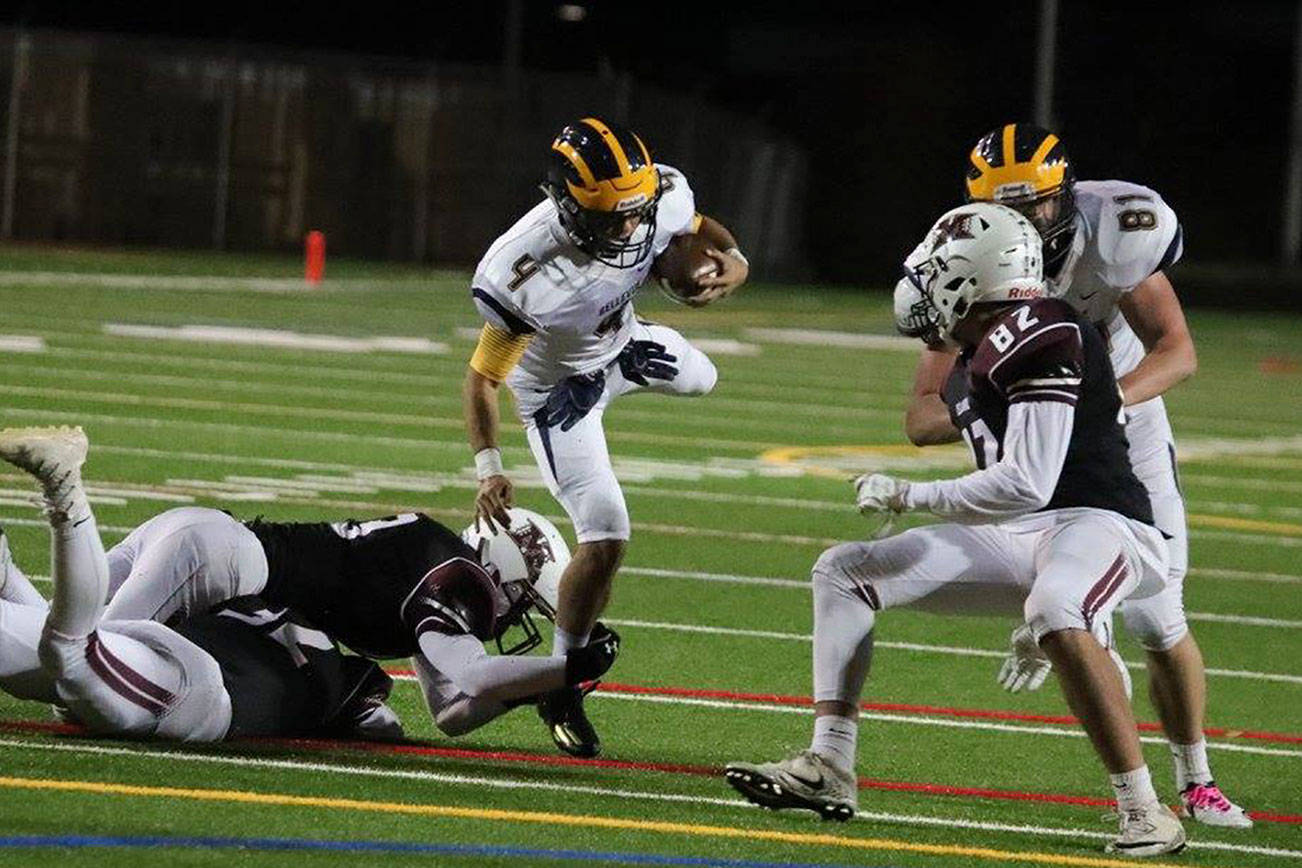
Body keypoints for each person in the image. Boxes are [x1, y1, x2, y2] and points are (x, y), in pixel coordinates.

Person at [726, 204, 1186, 858]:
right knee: (845, 570)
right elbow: (1005, 488)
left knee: (1057, 606)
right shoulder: (979, 349)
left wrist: (914, 493)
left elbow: (1029, 480)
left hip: (1104, 523)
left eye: (937, 268)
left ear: (978, 272)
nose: (923, 279)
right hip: (1024, 531)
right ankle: (829, 765)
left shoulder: (1042, 326)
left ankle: (1146, 812)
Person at [898, 123, 1247, 828]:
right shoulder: (963, 253)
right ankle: (1136, 797)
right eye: (1012, 208)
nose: (1029, 221)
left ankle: (1197, 778)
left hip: (1123, 418)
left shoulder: (1116, 231)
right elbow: (922, 414)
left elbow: (1176, 351)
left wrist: (1102, 401)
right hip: (1027, 436)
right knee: (1081, 620)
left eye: (1041, 205)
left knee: (1158, 612)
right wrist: (991, 404)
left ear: (1067, 195)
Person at [463, 116, 748, 756]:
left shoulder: (650, 199)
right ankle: (563, 677)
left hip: (623, 346)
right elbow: (483, 378)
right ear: (566, 204)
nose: (629, 229)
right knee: (607, 531)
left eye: (635, 213)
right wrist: (489, 466)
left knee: (705, 378)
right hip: (559, 394)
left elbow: (701, 229)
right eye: (611, 218)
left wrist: (735, 267)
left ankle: (628, 358)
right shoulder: (522, 268)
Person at [47, 449, 619, 739]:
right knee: (79, 674)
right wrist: (566, 670)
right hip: (212, 560)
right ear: (502, 567)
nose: (515, 616)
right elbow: (472, 677)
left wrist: (535, 684)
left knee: (63, 640)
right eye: (523, 600)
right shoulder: (458, 578)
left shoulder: (437, 570)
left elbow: (449, 711)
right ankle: (59, 493)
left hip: (199, 540)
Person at [0, 426, 400, 742]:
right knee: (69, 658)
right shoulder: (325, 676)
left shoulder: (294, 624)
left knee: (68, 656)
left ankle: (50, 507)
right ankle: (54, 501)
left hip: (189, 676)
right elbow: (379, 721)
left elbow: (376, 715)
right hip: (190, 685)